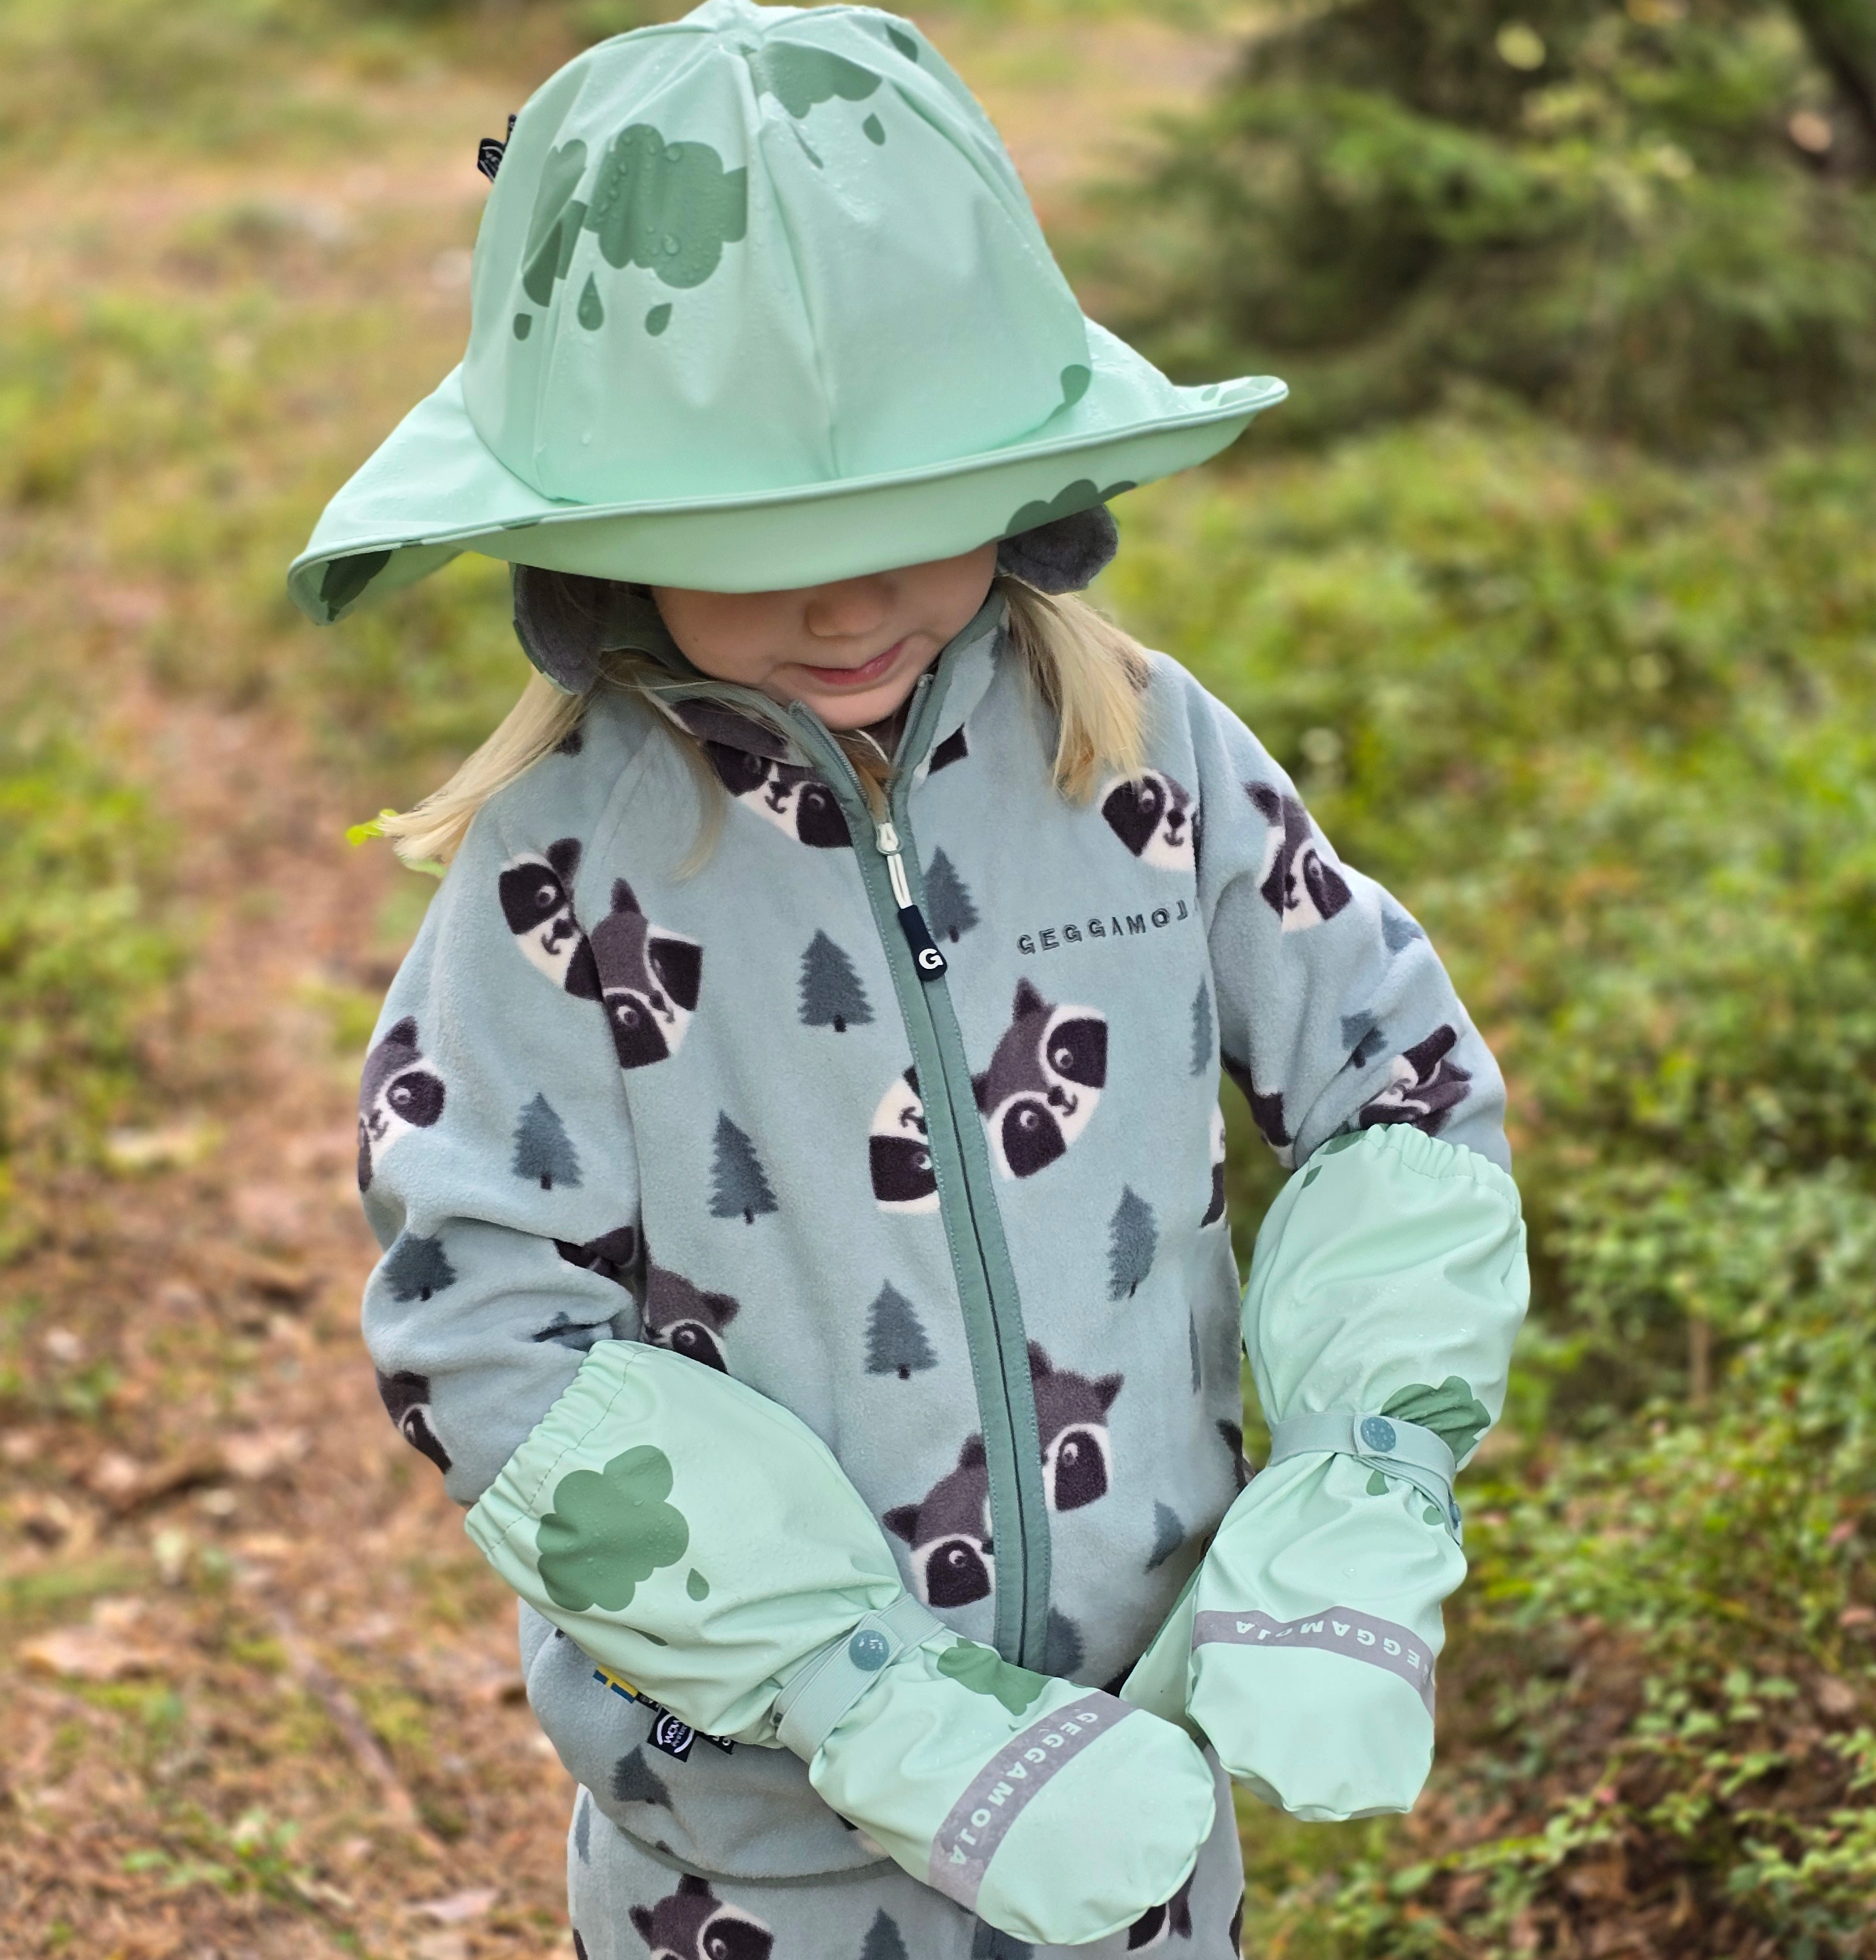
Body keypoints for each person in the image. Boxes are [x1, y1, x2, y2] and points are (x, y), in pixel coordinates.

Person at [289, 5, 1528, 1956]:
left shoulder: (1142, 758)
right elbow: (487, 1318)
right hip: (745, 1857)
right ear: (597, 552)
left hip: (1135, 1791)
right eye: (755, 542)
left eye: (909, 516)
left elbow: (1393, 1078)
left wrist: (1367, 1472)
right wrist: (867, 1697)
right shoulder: (563, 873)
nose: (851, 600)